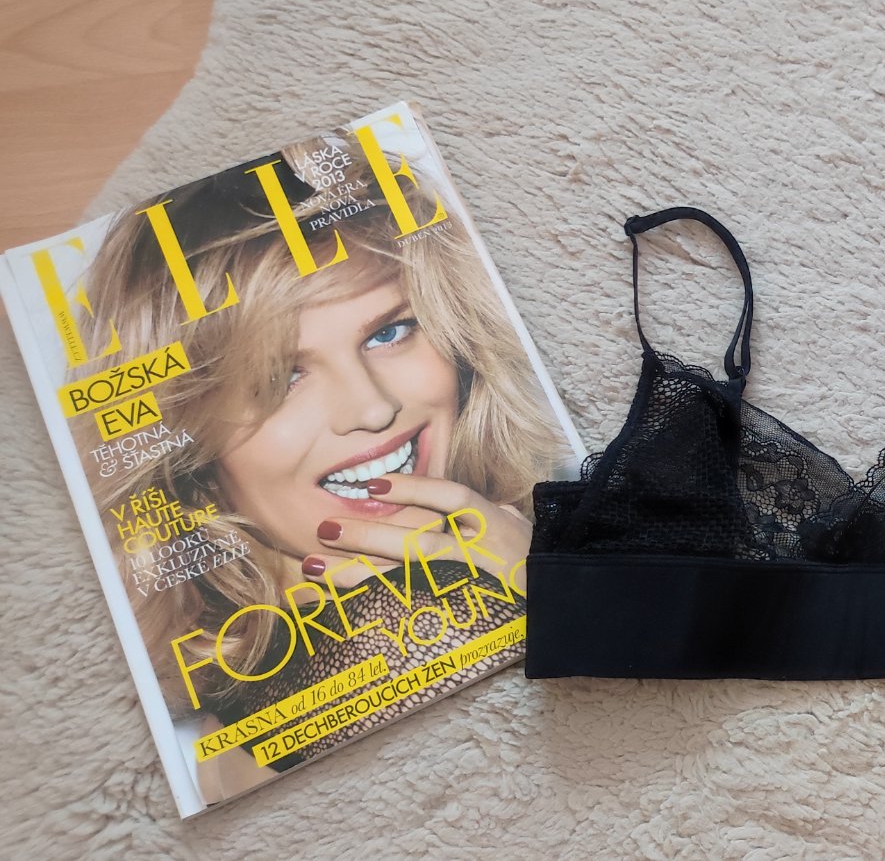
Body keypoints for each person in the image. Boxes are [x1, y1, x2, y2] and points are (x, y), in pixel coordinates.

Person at [71, 137, 565, 800]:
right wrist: (562, 595)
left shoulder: (224, 706)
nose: (372, 408)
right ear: (186, 442)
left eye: (389, 332)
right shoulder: (421, 622)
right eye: (280, 377)